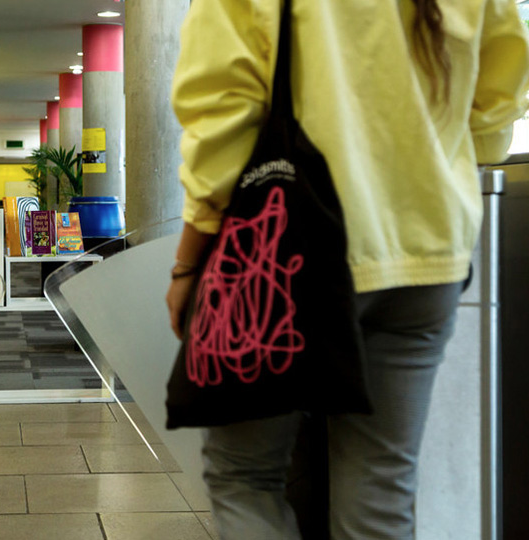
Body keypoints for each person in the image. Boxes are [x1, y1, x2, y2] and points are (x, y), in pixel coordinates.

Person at [165, 1, 529, 538]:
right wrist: (440, 161)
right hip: (427, 252)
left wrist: (188, 263)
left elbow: (222, 116)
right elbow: (500, 95)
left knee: (245, 476)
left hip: (287, 256)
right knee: (381, 487)